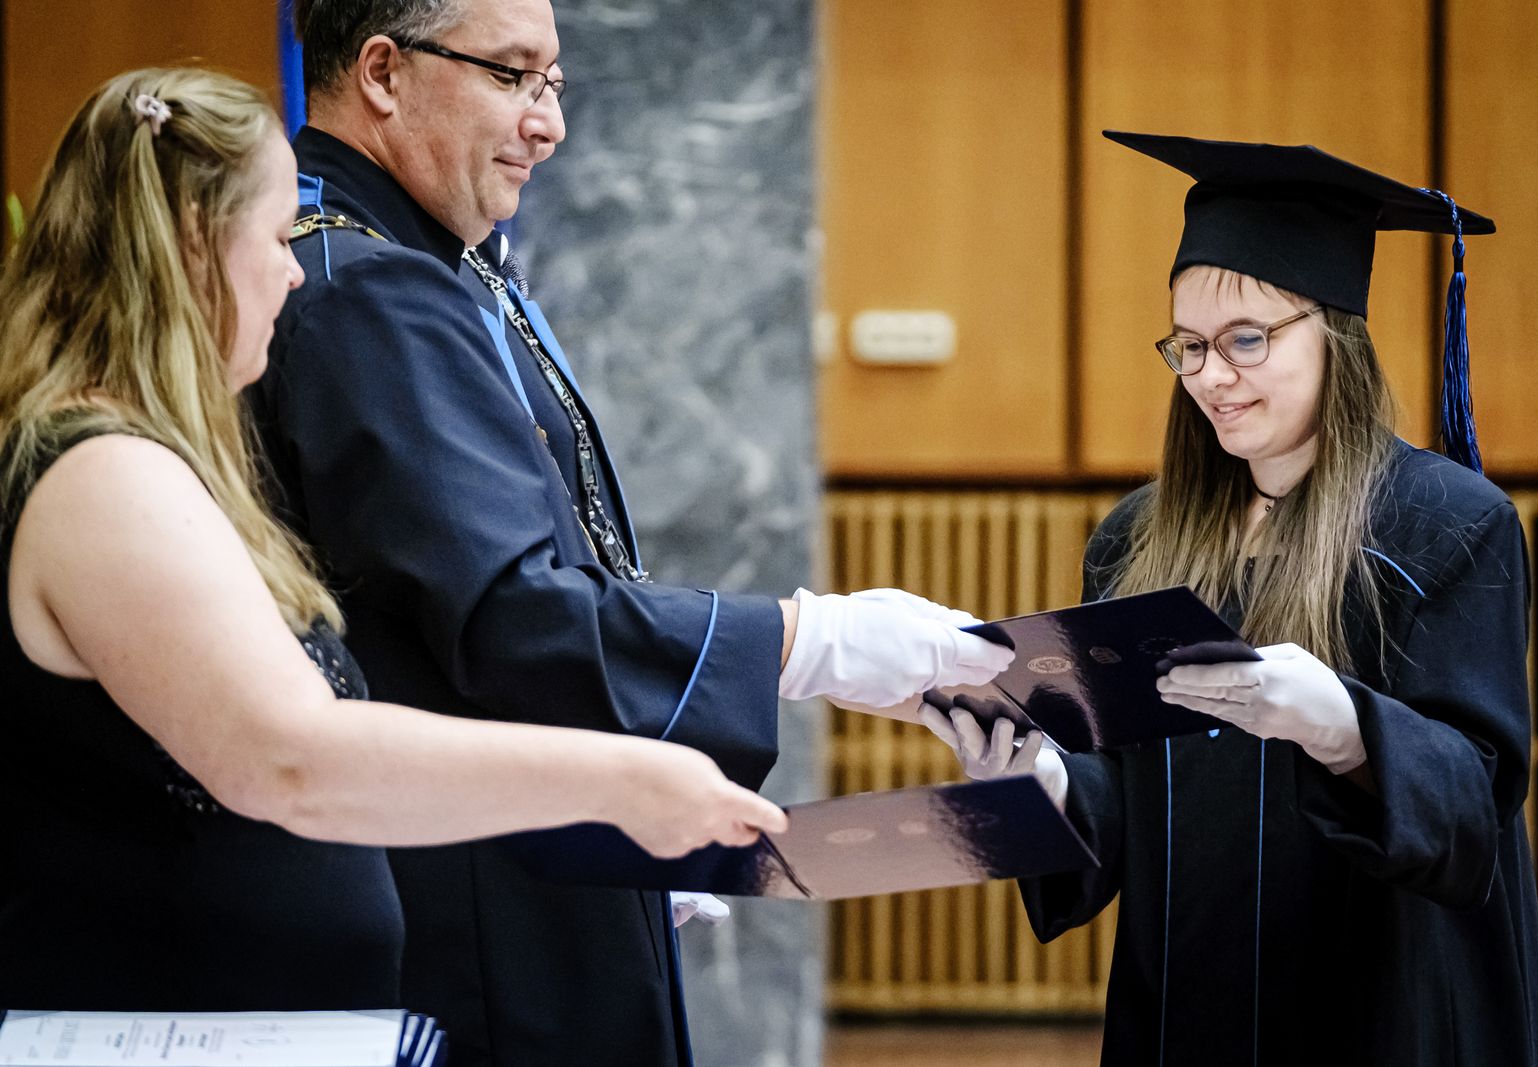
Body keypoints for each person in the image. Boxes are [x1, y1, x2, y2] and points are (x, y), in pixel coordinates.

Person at [258, 1, 1012, 1063]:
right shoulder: (372, 287)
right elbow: (514, 613)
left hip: (518, 845)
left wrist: (633, 790)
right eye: (512, 76)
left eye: (554, 83)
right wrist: (811, 640)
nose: (549, 123)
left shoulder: (419, 257)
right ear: (382, 72)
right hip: (475, 903)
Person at [0, 65, 797, 1015]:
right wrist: (619, 782)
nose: (297, 270)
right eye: (277, 238)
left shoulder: (140, 456)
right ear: (196, 245)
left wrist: (601, 820)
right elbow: (296, 758)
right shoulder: (104, 473)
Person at [922, 131, 1538, 1065]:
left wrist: (1343, 726)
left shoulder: (1445, 525)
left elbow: (1474, 802)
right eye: (1187, 346)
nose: (1210, 376)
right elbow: (1125, 796)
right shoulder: (1137, 540)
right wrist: (1038, 778)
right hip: (1188, 1009)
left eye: (1245, 340)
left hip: (1381, 1009)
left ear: (1334, 332)